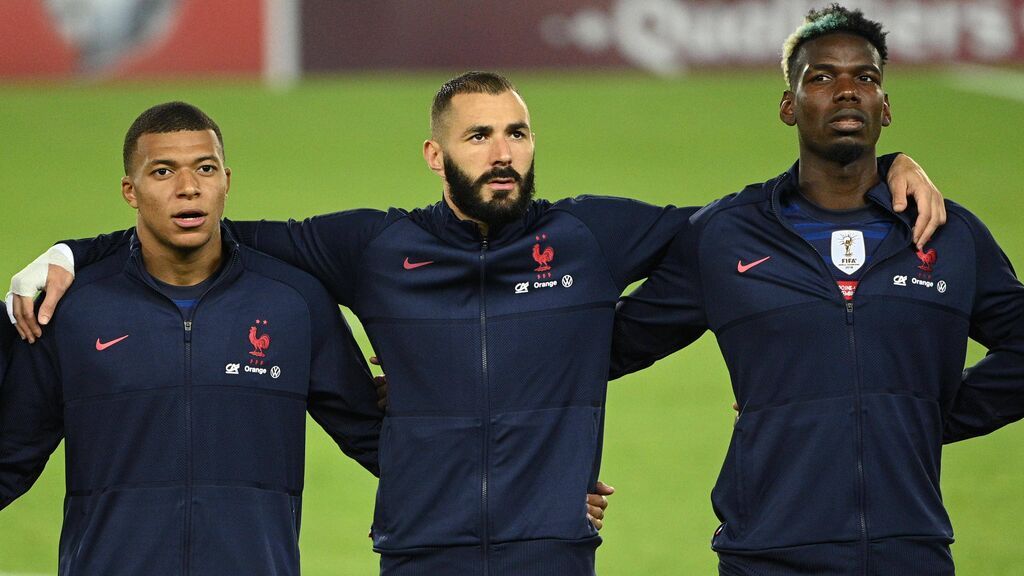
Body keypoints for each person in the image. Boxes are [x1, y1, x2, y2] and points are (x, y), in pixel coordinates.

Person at [7, 72, 945, 575]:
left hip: (553, 553)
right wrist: (65, 253)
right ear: (435, 152)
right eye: (478, 136)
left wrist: (881, 167)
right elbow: (197, 230)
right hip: (421, 553)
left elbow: (737, 225)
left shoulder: (592, 233)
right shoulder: (370, 250)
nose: (501, 153)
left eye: (515, 133)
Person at [610, 5, 1024, 575]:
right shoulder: (727, 234)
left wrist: (916, 414)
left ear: (886, 107)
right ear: (788, 106)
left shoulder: (948, 236)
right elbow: (604, 349)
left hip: (911, 554)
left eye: (867, 77)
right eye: (822, 77)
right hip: (767, 558)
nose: (848, 90)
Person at [0, 102, 384, 575]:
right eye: (162, 171)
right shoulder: (73, 310)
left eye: (205, 169)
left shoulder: (293, 304)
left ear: (226, 180)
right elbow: (10, 457)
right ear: (130, 190)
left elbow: (377, 440)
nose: (188, 188)